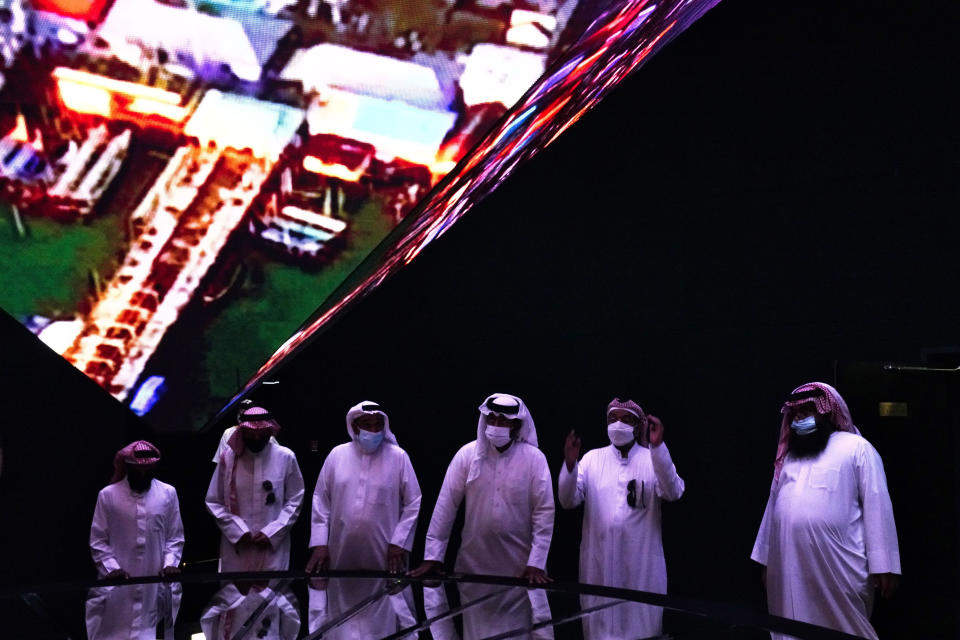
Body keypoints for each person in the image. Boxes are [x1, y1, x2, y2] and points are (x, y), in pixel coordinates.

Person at [751, 382, 901, 640]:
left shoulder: (856, 447)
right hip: (787, 566)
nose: (799, 418)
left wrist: (885, 564)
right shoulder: (788, 458)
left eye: (808, 411)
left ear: (828, 412)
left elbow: (877, 503)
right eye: (795, 413)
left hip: (835, 569)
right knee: (789, 627)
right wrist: (766, 559)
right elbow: (773, 508)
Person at [558, 398, 685, 638]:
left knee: (642, 628)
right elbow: (567, 500)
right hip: (599, 567)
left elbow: (673, 491)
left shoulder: (652, 459)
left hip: (640, 570)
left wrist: (657, 448)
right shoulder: (592, 459)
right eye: (613, 418)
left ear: (638, 427)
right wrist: (570, 464)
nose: (618, 424)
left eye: (626, 420)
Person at [410, 392, 555, 583]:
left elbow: (543, 512)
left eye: (503, 421)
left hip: (521, 569)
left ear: (515, 425)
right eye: (492, 419)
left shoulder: (534, 459)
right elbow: (446, 505)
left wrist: (536, 562)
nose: (496, 425)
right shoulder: (467, 454)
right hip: (472, 567)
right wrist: (433, 556)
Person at [306, 400, 422, 574]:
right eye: (367, 425)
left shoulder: (398, 457)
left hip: (387, 552)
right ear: (354, 426)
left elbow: (413, 502)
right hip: (340, 550)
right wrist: (320, 543)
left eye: (378, 425)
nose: (373, 431)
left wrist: (400, 542)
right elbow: (320, 502)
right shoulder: (337, 455)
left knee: (386, 597)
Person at [87, 440, 184, 640]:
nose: (142, 474)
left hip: (154, 586)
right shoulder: (108, 495)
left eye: (147, 470)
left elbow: (174, 537)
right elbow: (98, 539)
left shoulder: (168, 493)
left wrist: (170, 564)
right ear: (128, 466)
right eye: (138, 470)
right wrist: (111, 569)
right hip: (117, 591)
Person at [206, 405, 304, 572]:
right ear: (242, 432)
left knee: (272, 595)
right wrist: (237, 531)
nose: (257, 437)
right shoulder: (228, 458)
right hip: (236, 547)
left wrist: (273, 532)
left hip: (273, 548)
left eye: (262, 433)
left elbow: (295, 499)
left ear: (270, 431)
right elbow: (214, 500)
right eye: (252, 433)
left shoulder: (285, 457)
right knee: (236, 595)